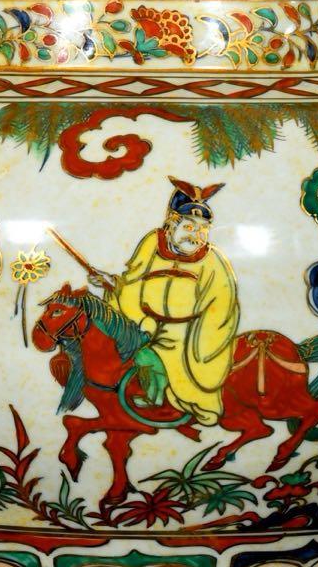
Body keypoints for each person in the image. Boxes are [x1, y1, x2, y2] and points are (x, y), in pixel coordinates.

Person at [88, 178, 239, 426]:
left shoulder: (213, 262)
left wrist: (201, 339)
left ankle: (180, 405)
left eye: (202, 230)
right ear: (171, 224)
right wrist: (112, 284)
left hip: (189, 334)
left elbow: (221, 306)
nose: (196, 236)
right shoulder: (151, 244)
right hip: (144, 322)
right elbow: (133, 281)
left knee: (171, 364)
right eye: (189, 227)